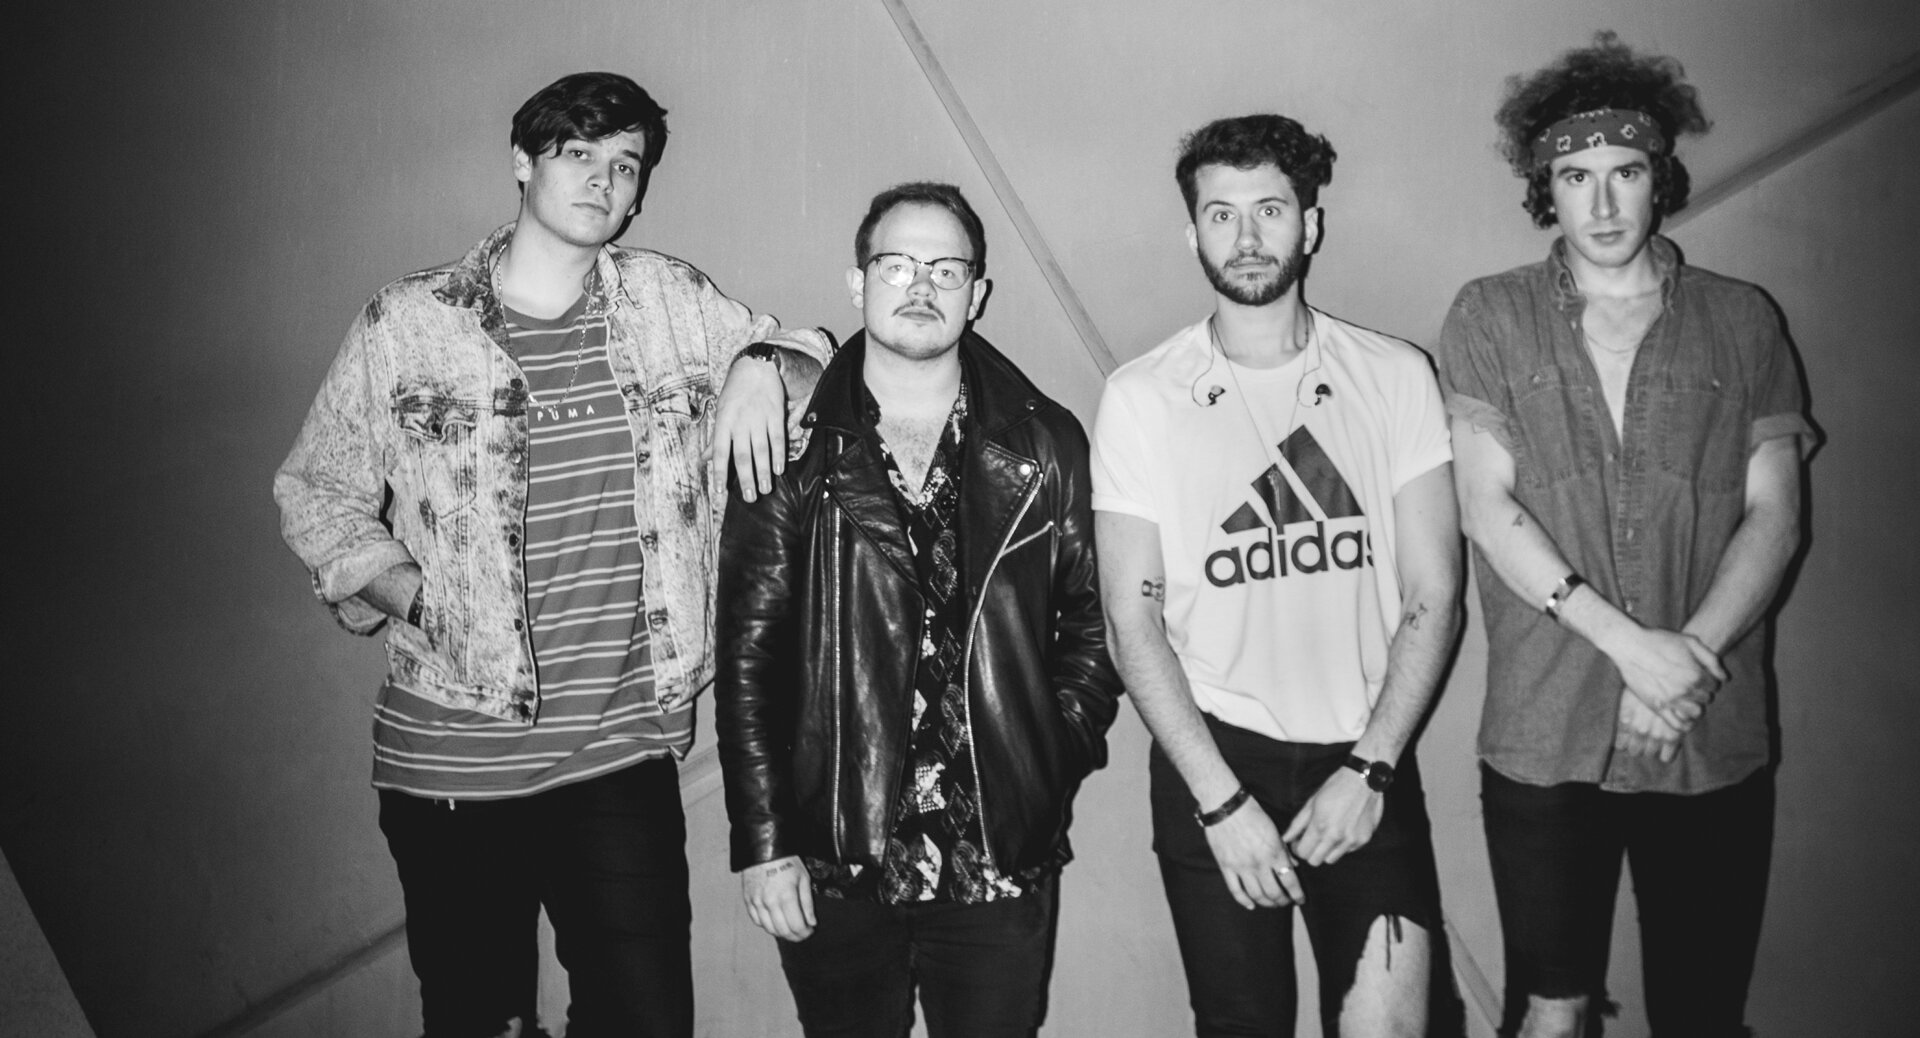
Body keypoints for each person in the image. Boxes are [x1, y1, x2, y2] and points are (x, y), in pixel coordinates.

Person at [273, 71, 831, 1038]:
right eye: (579, 154)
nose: (604, 181)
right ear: (523, 163)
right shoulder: (410, 323)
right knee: (480, 1021)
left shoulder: (668, 301)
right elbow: (316, 493)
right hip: (452, 758)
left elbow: (818, 367)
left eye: (627, 165)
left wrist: (762, 363)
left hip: (618, 754)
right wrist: (418, 598)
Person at [1436, 33, 1812, 1038]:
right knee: (1551, 1018)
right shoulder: (1491, 316)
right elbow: (1485, 508)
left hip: (1709, 729)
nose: (1602, 205)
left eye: (1626, 173)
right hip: (1546, 732)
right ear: (1545, 190)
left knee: (1703, 1016)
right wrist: (1632, 650)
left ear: (1660, 178)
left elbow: (1777, 515)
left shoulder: (1743, 320)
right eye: (1575, 177)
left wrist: (1683, 664)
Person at [714, 181, 1122, 1038]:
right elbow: (748, 656)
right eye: (897, 265)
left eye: (947, 268)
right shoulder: (792, 444)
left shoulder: (1045, 443)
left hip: (996, 854)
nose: (922, 286)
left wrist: (1050, 753)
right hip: (834, 852)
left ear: (979, 293)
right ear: (858, 283)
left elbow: (1093, 623)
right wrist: (765, 843)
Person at [1092, 114, 1462, 1037]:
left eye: (1270, 209)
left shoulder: (1396, 375)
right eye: (1222, 214)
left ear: (1311, 223)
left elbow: (1435, 595)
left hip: (1366, 756)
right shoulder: (1141, 397)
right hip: (1217, 757)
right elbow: (1131, 622)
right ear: (1193, 234)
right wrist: (1220, 801)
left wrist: (1372, 768)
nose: (1247, 236)